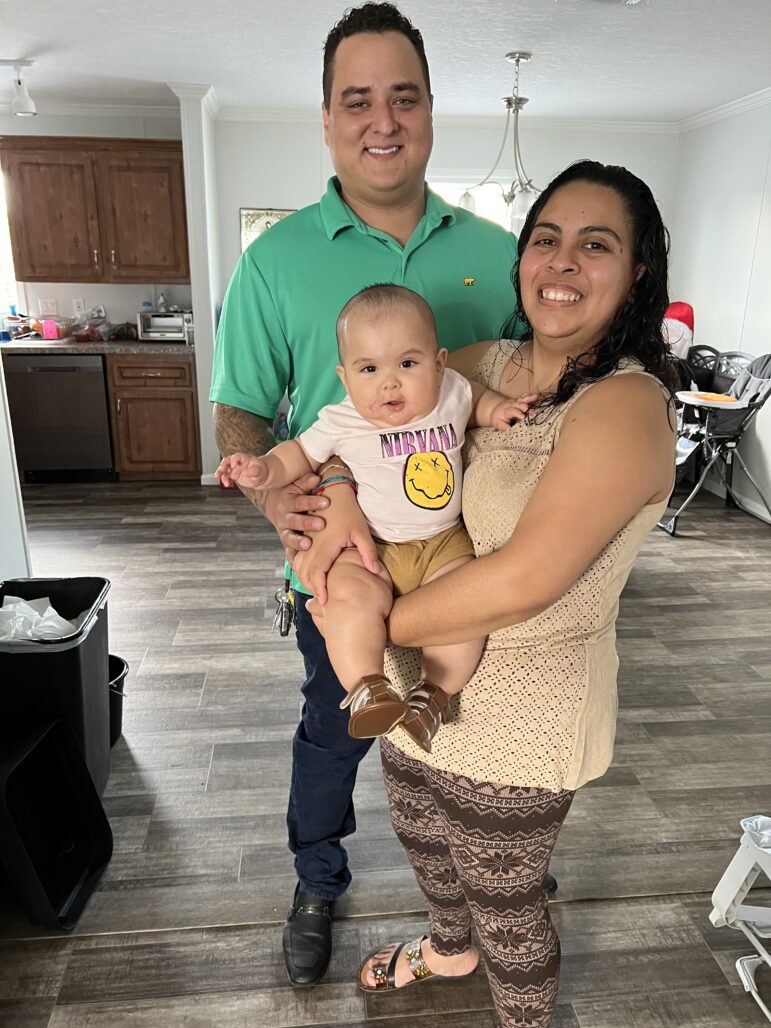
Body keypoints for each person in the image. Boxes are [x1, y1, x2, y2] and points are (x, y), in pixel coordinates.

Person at [209, 1, 546, 986]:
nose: (382, 120)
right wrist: (288, 499)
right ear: (326, 118)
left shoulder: (497, 249)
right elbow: (239, 415)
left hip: (469, 553)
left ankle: (502, 876)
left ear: (433, 108)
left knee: (476, 720)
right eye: (357, 100)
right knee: (334, 729)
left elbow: (519, 392)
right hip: (339, 558)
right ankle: (318, 878)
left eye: (403, 96)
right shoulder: (274, 259)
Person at [295, 159, 678, 1026]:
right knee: (424, 843)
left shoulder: (626, 405)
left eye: (595, 244)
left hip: (523, 718)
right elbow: (364, 425)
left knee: (507, 907)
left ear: (636, 271)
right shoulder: (482, 362)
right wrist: (346, 499)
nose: (562, 262)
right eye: (545, 239)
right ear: (520, 256)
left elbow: (525, 582)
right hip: (412, 689)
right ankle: (444, 949)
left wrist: (368, 612)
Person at [216, 284, 533, 750]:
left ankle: (433, 696)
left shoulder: (451, 393)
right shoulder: (343, 419)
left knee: (465, 615)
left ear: (439, 363)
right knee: (345, 600)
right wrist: (263, 470)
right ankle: (367, 688)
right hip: (372, 549)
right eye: (369, 368)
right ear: (345, 379)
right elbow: (299, 454)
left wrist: (498, 409)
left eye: (408, 364)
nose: (390, 382)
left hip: (445, 543)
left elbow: (477, 398)